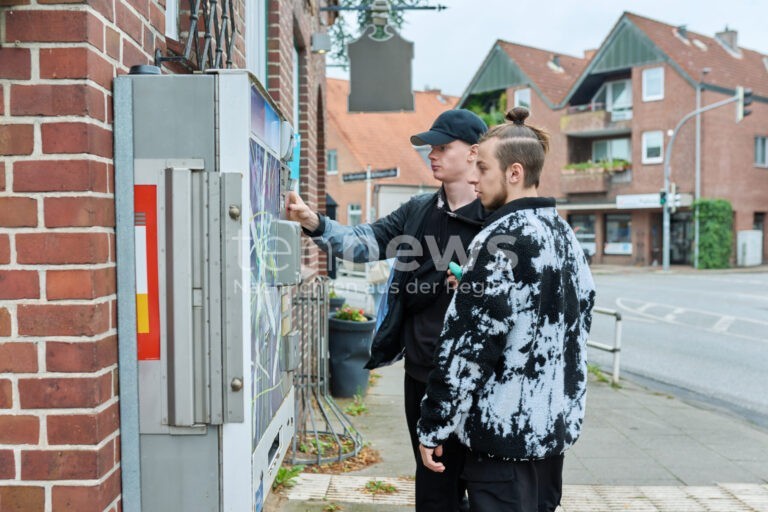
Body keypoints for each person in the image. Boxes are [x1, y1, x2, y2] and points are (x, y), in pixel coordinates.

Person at [286, 109, 488, 512]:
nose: (432, 155)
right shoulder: (417, 210)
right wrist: (314, 223)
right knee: (434, 487)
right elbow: (365, 241)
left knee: (485, 488)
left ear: (474, 153)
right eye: (431, 147)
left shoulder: (496, 218)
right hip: (423, 374)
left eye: (444, 147)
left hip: (482, 378)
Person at [416, 107, 596, 512]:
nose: (474, 177)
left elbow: (466, 349)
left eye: (482, 167)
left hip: (502, 437)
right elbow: (578, 317)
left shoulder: (500, 238)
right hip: (551, 432)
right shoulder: (563, 232)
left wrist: (434, 425)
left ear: (514, 172)